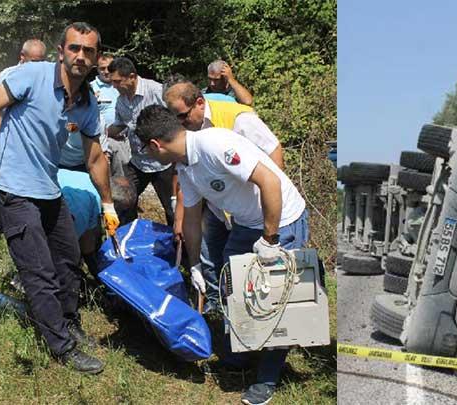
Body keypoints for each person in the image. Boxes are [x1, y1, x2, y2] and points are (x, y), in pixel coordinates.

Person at [135, 105, 308, 405]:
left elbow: (271, 181)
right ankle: (242, 352)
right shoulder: (185, 166)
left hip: (280, 219)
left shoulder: (215, 145)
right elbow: (191, 217)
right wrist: (196, 264)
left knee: (277, 299)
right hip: (245, 223)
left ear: (155, 144)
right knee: (233, 288)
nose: (151, 159)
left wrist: (270, 239)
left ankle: (267, 377)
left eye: (148, 153)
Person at [0, 22, 119, 374]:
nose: (80, 55)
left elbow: (94, 158)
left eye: (88, 51)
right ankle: (61, 346)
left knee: (68, 257)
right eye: (74, 48)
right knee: (38, 268)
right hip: (11, 185)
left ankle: (69, 321)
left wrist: (107, 204)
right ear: (61, 51)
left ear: (96, 58)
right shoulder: (32, 75)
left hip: (47, 185)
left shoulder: (88, 101)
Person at [164, 80, 283, 313]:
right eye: (174, 119)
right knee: (210, 256)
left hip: (254, 209)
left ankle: (253, 314)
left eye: (182, 117)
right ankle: (217, 306)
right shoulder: (187, 131)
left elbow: (273, 150)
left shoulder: (239, 118)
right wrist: (179, 217)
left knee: (256, 267)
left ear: (199, 103)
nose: (180, 124)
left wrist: (274, 200)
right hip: (220, 207)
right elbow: (185, 177)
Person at [106, 57, 175, 226]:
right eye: (112, 82)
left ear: (131, 76)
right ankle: (126, 240)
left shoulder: (156, 91)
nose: (114, 86)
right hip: (137, 162)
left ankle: (180, 247)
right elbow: (120, 125)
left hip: (163, 163)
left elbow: (176, 118)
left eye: (117, 82)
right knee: (124, 201)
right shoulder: (121, 100)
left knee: (172, 208)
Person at [0, 39, 47, 141]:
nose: (37, 66)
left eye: (41, 61)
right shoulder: (8, 75)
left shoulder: (47, 77)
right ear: (22, 56)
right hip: (10, 140)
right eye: (33, 61)